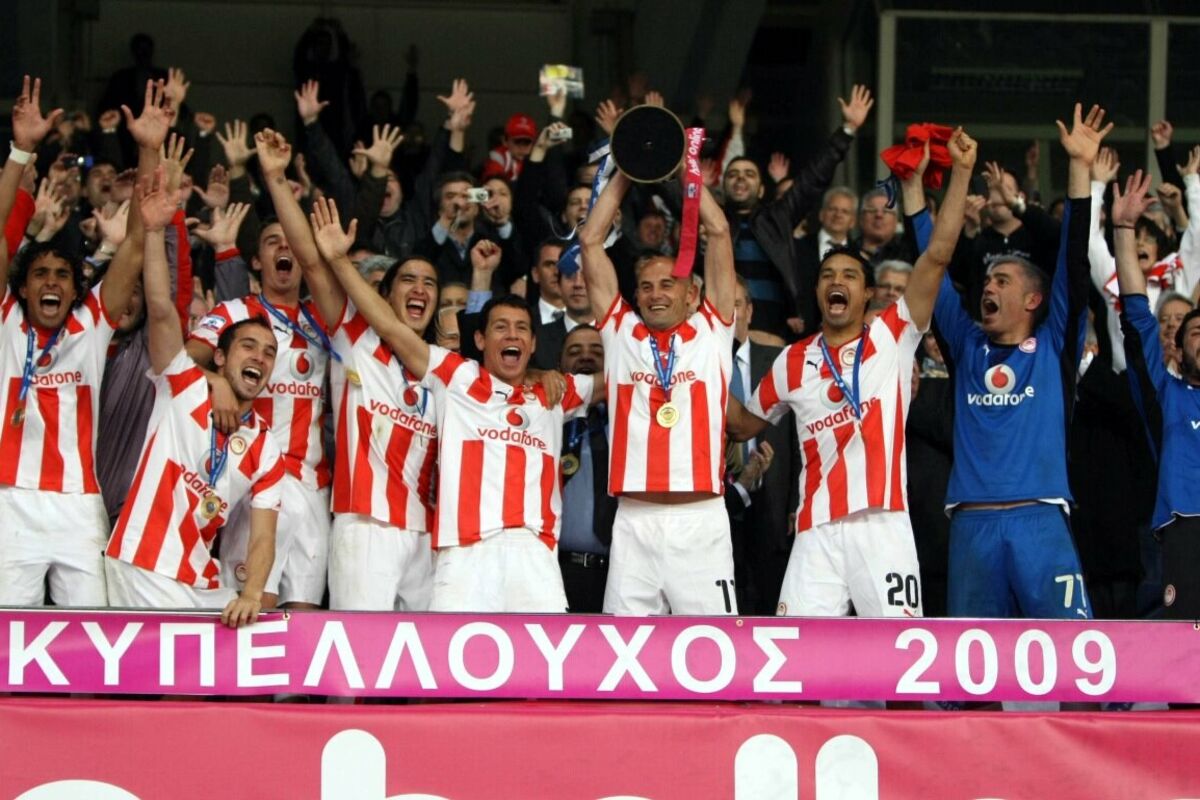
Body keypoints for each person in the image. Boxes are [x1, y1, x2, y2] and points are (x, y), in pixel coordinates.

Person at [727, 129, 976, 618]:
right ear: (817, 292)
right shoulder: (791, 361)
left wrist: (962, 172)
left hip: (883, 528)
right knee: (799, 654)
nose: (835, 282)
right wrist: (698, 372)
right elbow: (740, 425)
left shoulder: (893, 332)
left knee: (900, 653)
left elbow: (937, 255)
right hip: (815, 531)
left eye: (848, 276)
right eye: (826, 276)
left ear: (867, 295)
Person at [312, 197, 598, 613]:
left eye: (521, 328)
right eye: (500, 327)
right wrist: (340, 262)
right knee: (439, 653)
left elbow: (622, 378)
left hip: (534, 552)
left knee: (537, 654)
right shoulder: (456, 376)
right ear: (479, 340)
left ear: (534, 343)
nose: (511, 335)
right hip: (462, 553)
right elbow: (390, 326)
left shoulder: (554, 392)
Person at [934, 104, 1109, 619]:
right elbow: (932, 267)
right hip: (972, 521)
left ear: (1034, 299)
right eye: (987, 281)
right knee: (969, 660)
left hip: (1040, 518)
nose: (988, 286)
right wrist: (932, 188)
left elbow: (1073, 260)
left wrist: (1079, 168)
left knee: (1070, 652)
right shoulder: (966, 344)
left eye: (1002, 281)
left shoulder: (1054, 343)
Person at [0, 76, 159, 607]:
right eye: (40, 274)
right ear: (23, 288)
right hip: (11, 501)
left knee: (90, 633)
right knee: (7, 635)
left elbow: (134, 245)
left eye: (62, 276)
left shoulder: (90, 325)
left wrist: (149, 150)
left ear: (76, 289)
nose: (51, 283)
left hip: (77, 504)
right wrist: (21, 150)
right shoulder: (7, 321)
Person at [105, 167, 282, 628]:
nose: (259, 358)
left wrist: (251, 593)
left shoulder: (266, 446)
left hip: (199, 581)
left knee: (260, 623)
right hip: (141, 564)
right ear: (219, 357)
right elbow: (162, 309)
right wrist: (155, 230)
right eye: (248, 347)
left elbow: (263, 536)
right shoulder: (183, 383)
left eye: (269, 353)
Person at [185, 129, 349, 610]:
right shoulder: (235, 313)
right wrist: (214, 382)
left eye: (292, 242)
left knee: (303, 610)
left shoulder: (323, 321)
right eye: (273, 242)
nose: (285, 249)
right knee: (252, 604)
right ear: (257, 261)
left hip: (313, 483)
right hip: (251, 474)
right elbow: (179, 365)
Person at [580, 163, 739, 616]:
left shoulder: (713, 330)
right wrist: (628, 168)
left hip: (701, 520)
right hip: (634, 520)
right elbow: (590, 241)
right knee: (624, 649)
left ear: (692, 295)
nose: (655, 294)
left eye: (668, 284)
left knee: (712, 646)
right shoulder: (620, 332)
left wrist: (683, 170)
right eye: (646, 287)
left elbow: (719, 230)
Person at [721, 87, 873, 344]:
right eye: (733, 174)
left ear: (762, 189)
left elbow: (813, 180)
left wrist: (847, 130)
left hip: (772, 334)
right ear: (723, 186)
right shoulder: (711, 220)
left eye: (749, 174)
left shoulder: (777, 218)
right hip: (721, 335)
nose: (740, 179)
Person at [1115, 170, 1200, 619]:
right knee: (1186, 644)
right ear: (1178, 351)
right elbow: (1137, 314)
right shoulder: (1164, 393)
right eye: (1196, 333)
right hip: (1186, 527)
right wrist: (1124, 229)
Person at [557, 324, 616, 612]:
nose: (585, 357)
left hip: (620, 574)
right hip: (556, 571)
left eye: (597, 351)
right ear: (560, 364)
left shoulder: (630, 419)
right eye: (574, 351)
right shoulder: (545, 416)